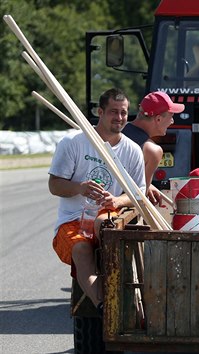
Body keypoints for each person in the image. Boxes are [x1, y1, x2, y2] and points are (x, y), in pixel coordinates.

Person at [49, 88, 146, 312]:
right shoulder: (73, 142)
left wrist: (117, 201)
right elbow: (54, 185)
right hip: (72, 220)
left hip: (106, 216)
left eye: (124, 113)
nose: (120, 118)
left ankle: (126, 298)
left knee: (107, 230)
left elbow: (139, 193)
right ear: (100, 112)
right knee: (82, 250)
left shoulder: (132, 150)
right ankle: (105, 308)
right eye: (113, 112)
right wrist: (79, 188)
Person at [123, 91, 184, 204]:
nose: (172, 121)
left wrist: (148, 185)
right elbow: (139, 196)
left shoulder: (117, 131)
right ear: (158, 119)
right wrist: (146, 186)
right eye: (171, 116)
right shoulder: (153, 151)